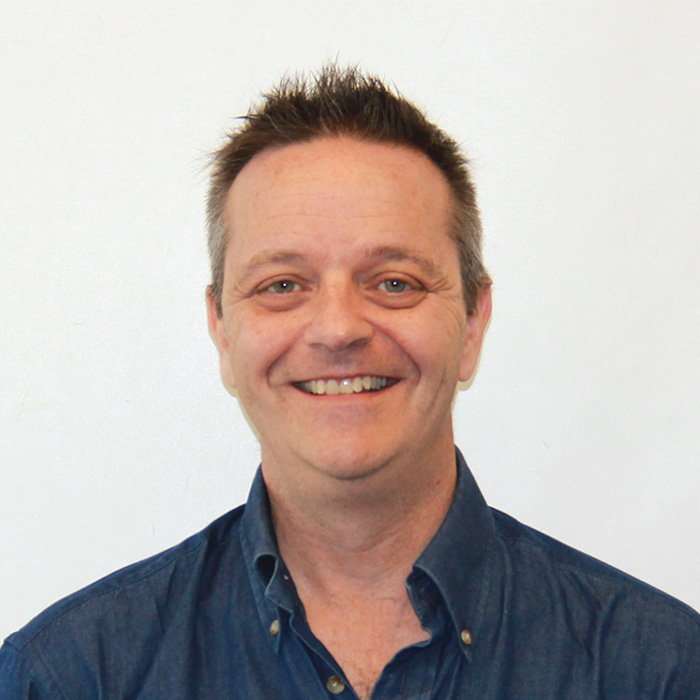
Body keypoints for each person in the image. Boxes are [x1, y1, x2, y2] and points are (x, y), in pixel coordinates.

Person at [1, 65, 698, 700]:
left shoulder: (659, 670)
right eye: (282, 285)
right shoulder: (71, 676)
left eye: (394, 282)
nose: (338, 329)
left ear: (474, 321)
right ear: (221, 327)